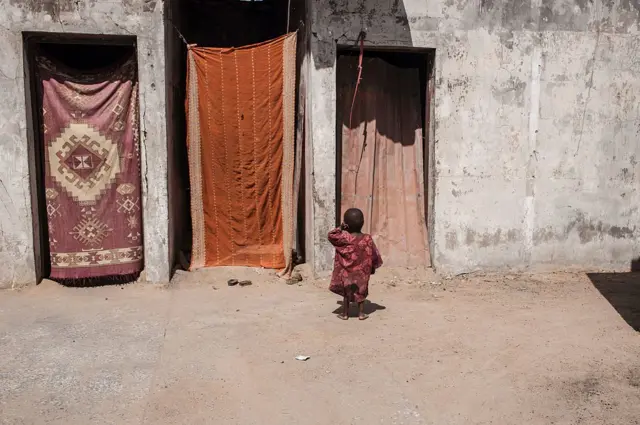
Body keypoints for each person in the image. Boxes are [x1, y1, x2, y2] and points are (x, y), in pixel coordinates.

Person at [328, 208, 383, 320]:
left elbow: (331, 235)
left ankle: (345, 314)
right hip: (362, 272)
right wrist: (372, 267)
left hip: (346, 272)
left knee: (346, 292)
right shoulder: (367, 238)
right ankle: (361, 314)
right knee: (361, 291)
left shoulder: (344, 238)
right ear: (363, 223)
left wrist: (340, 228)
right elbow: (374, 254)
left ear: (346, 224)